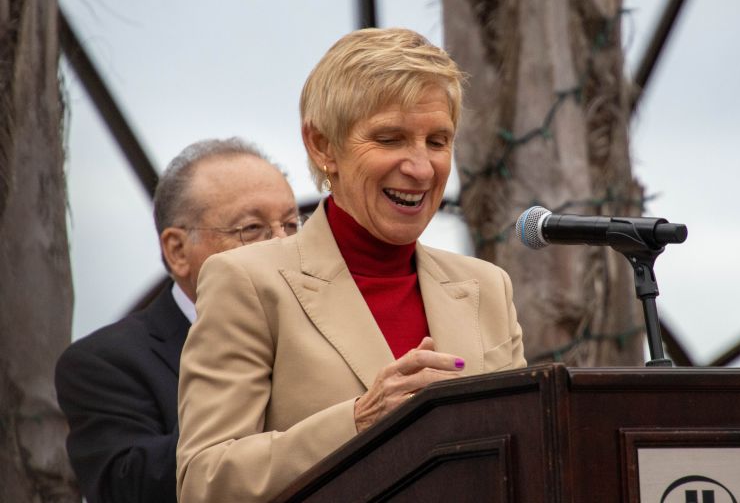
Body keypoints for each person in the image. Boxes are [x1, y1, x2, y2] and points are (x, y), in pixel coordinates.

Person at [176, 27, 526, 501]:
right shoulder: (248, 281)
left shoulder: (487, 287)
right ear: (322, 145)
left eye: (437, 141)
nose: (421, 168)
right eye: (390, 138)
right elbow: (205, 482)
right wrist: (359, 419)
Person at [54, 138, 300, 503]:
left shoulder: (330, 322)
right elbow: (128, 489)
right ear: (178, 250)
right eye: (251, 228)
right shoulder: (104, 363)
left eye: (292, 225)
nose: (282, 244)